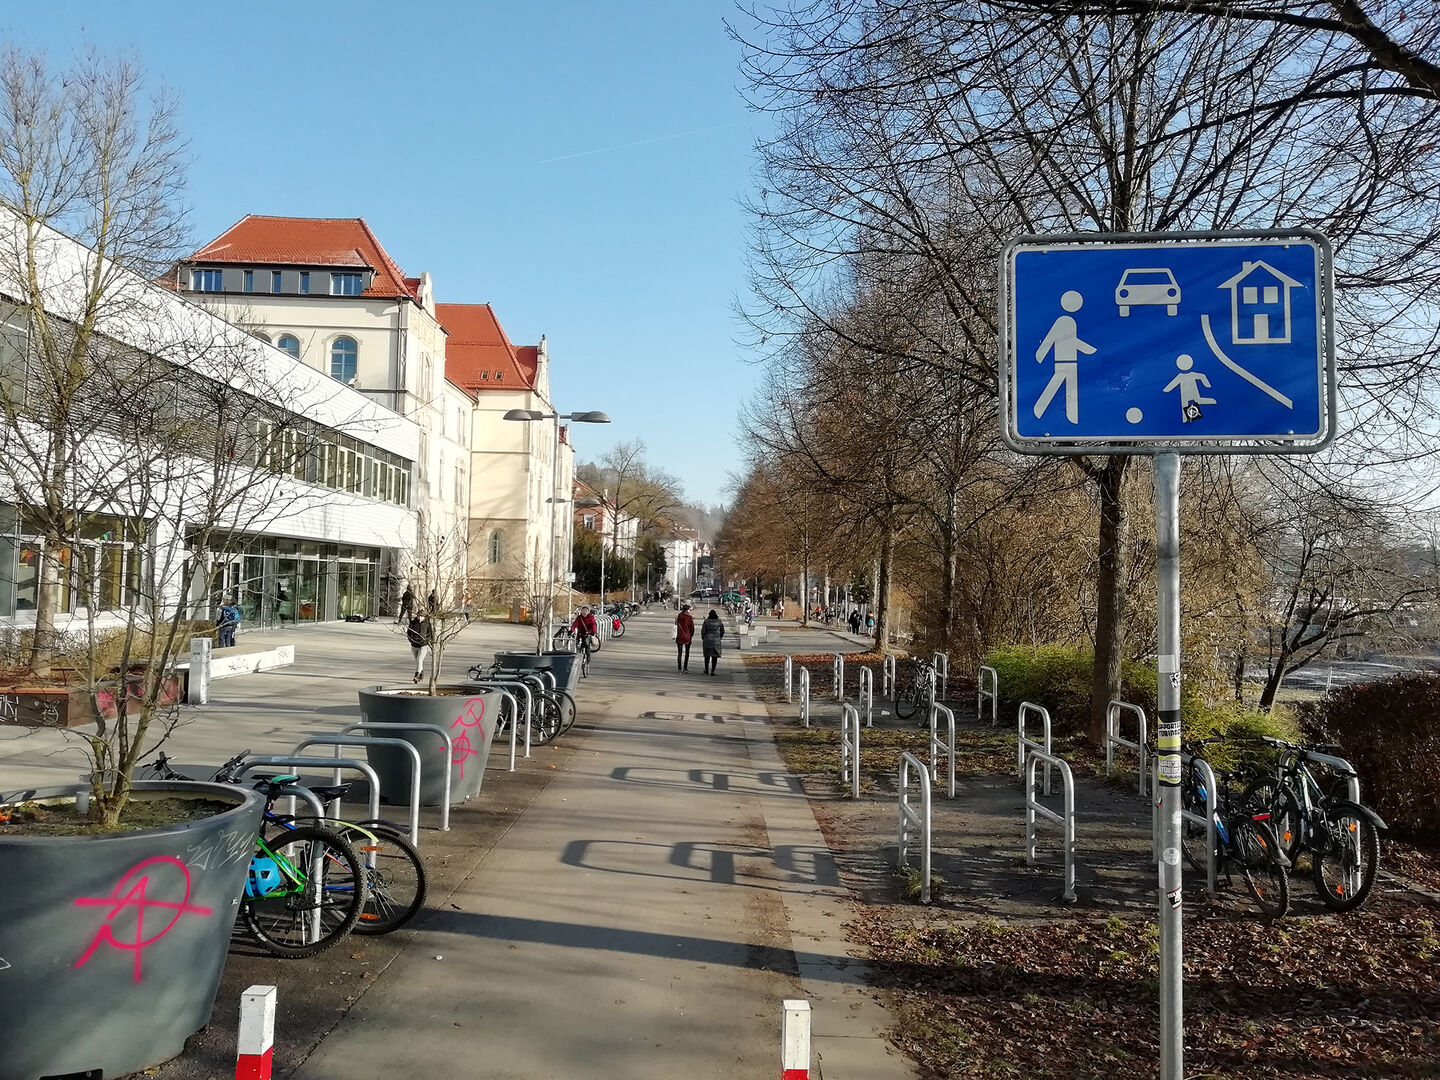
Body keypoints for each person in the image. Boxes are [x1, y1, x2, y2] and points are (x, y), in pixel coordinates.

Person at [406, 612, 433, 684]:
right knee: (418, 661)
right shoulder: (413, 623)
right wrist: (411, 640)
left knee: (419, 660)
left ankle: (417, 676)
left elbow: (430, 635)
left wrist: (426, 641)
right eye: (419, 616)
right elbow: (408, 633)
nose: (420, 618)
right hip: (414, 645)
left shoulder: (427, 624)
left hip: (423, 645)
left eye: (422, 616)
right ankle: (421, 673)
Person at [700, 608, 725, 676]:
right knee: (714, 656)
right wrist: (720, 637)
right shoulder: (719, 622)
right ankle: (713, 670)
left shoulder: (706, 621)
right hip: (716, 640)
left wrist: (703, 637)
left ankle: (706, 669)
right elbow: (722, 631)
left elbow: (703, 631)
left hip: (707, 639)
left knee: (707, 656)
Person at [674, 603, 695, 672]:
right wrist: (691, 635)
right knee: (687, 653)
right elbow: (692, 627)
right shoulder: (689, 617)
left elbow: (675, 624)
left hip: (679, 636)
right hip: (687, 636)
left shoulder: (679, 616)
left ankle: (679, 668)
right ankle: (685, 667)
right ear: (688, 610)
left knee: (679, 653)